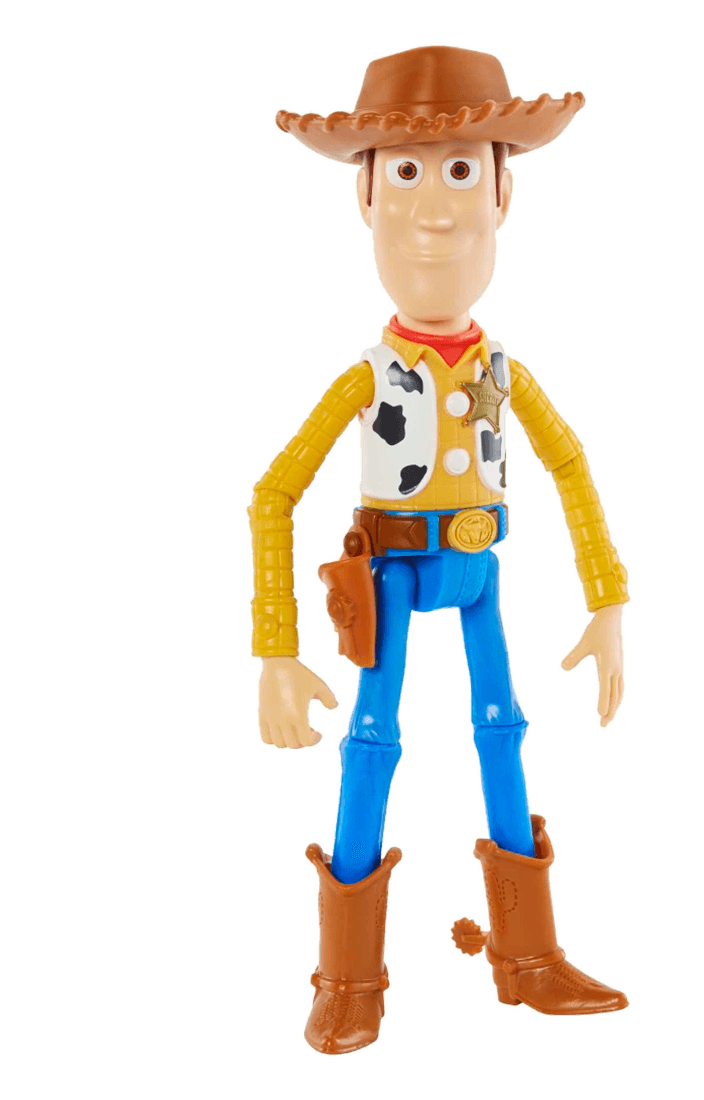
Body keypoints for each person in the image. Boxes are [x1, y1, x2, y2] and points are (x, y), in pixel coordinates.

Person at [249, 43, 633, 1057]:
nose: (434, 211)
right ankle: (346, 978)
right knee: (371, 741)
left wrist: (606, 599)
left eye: (460, 170)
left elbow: (569, 464)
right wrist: (276, 647)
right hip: (390, 569)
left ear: (501, 193)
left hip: (481, 569)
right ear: (366, 198)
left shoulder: (505, 367)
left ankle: (528, 954)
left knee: (503, 728)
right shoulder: (367, 377)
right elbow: (272, 494)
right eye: (408, 173)